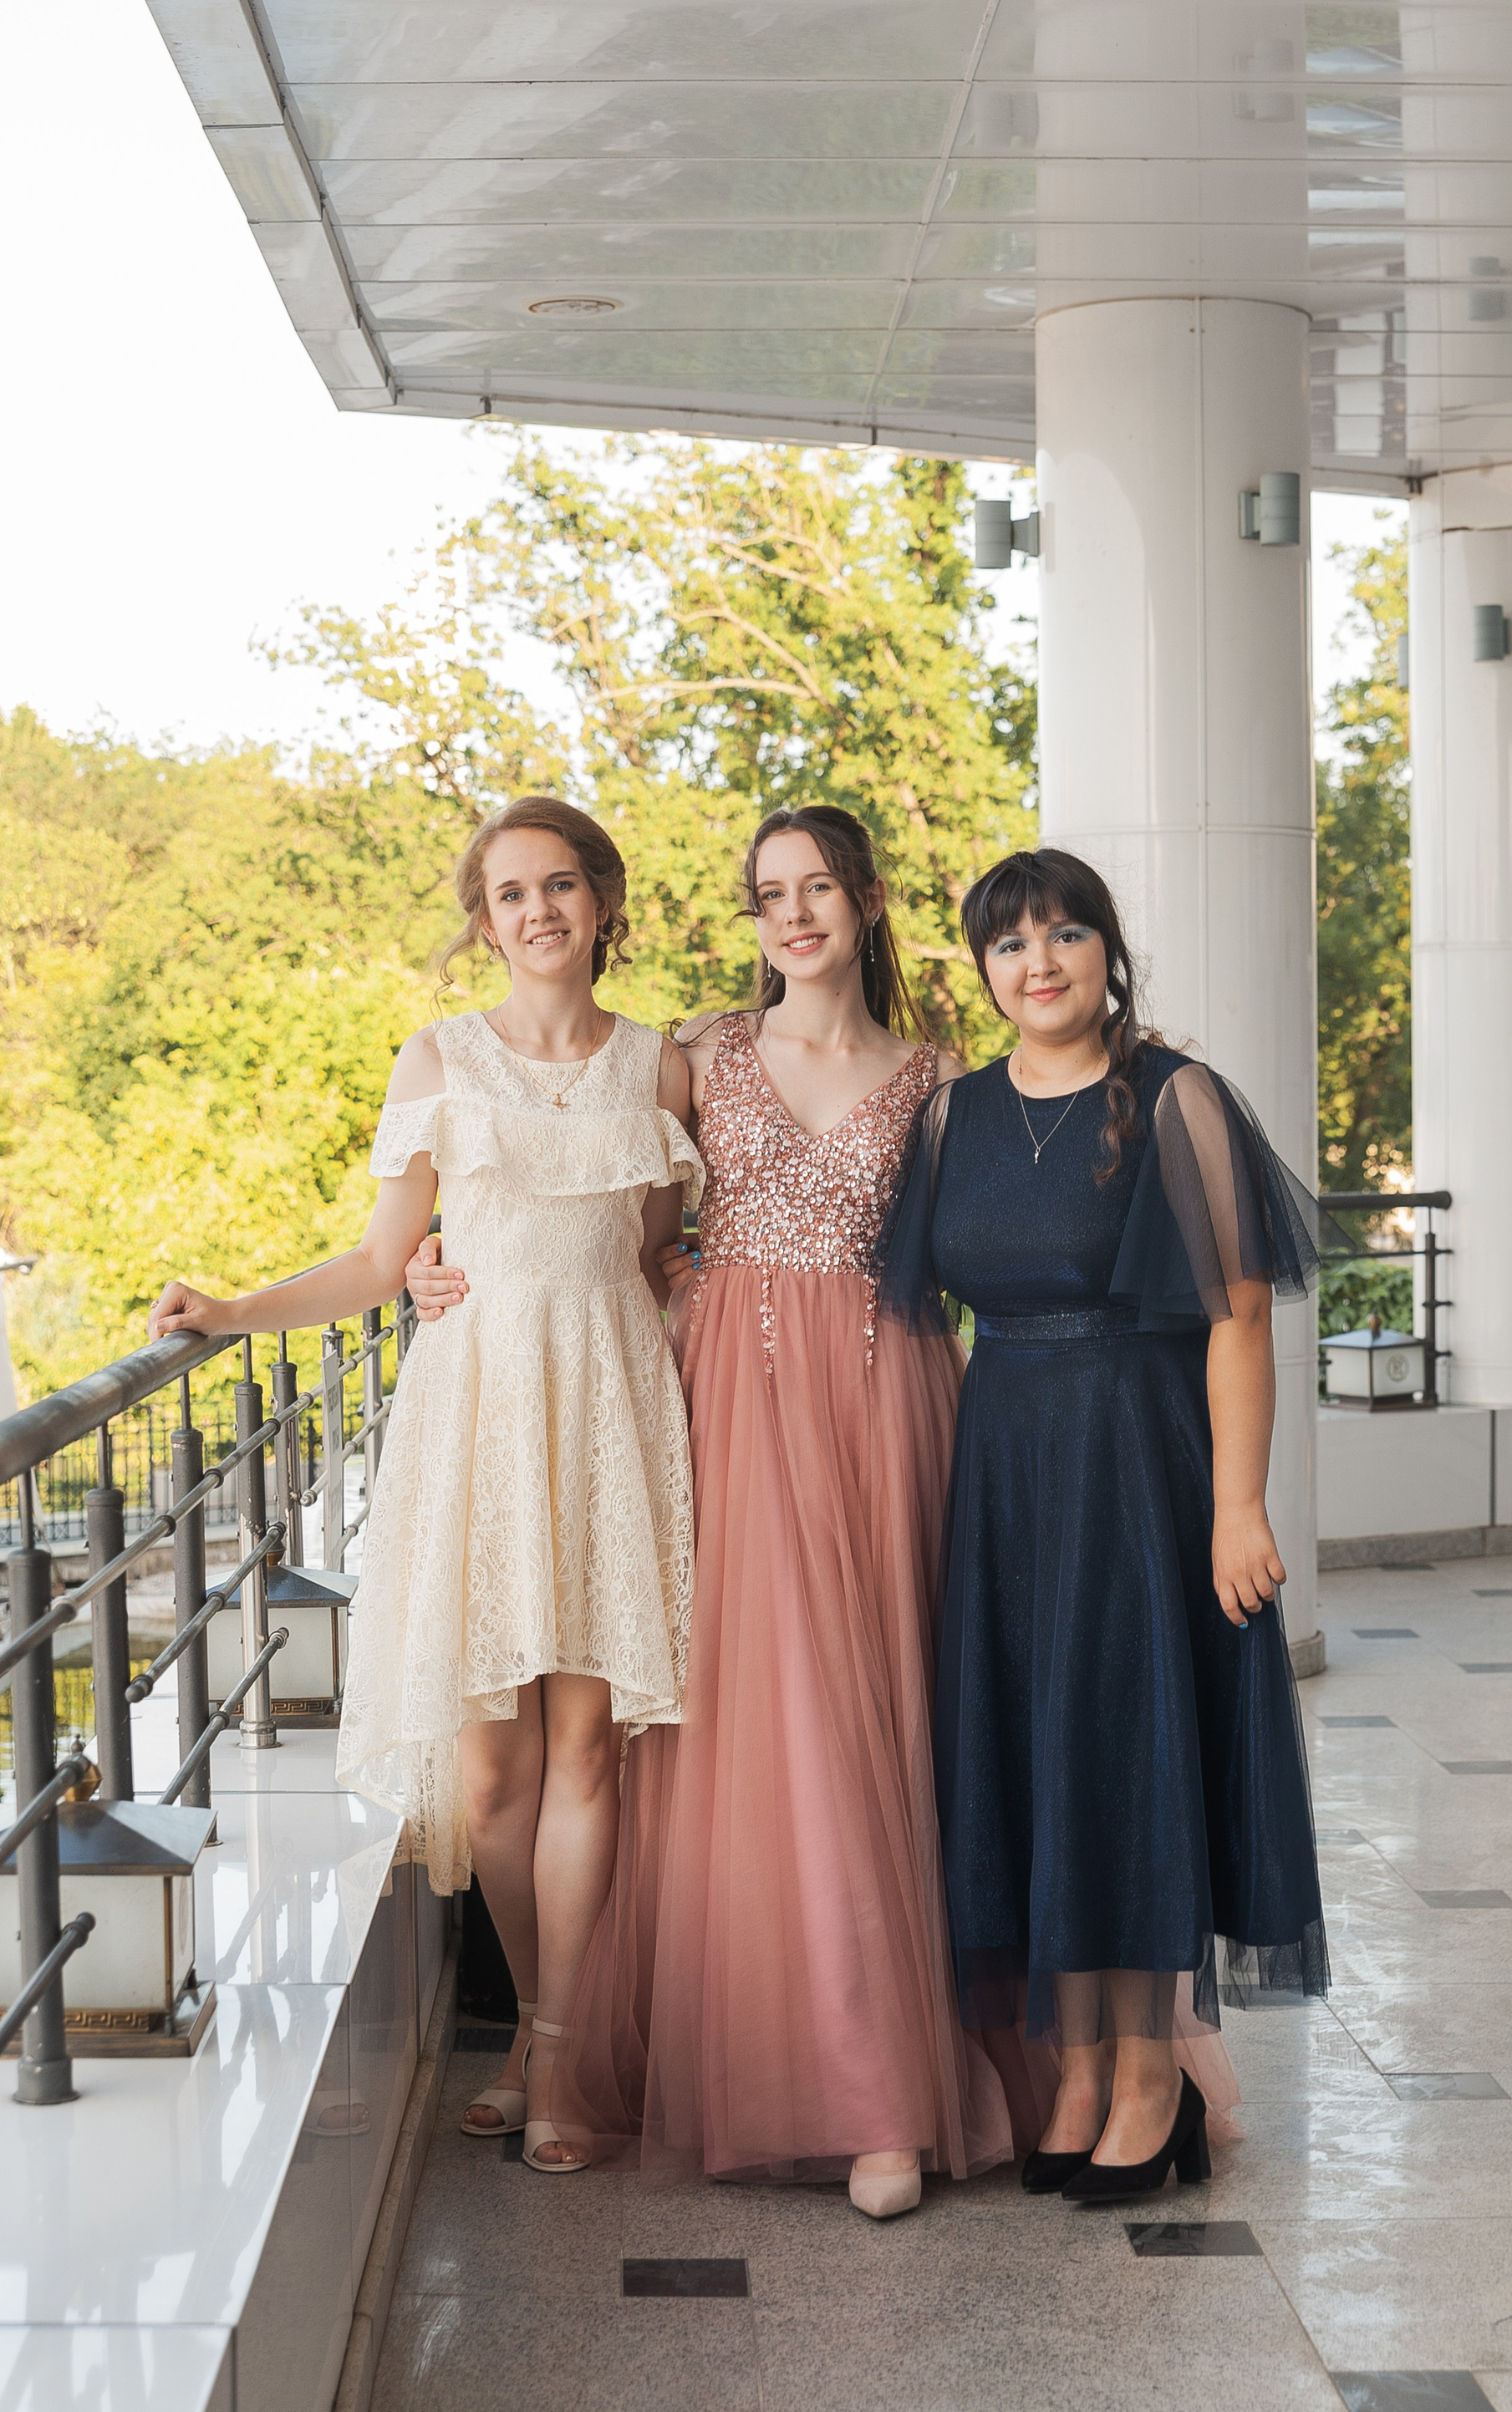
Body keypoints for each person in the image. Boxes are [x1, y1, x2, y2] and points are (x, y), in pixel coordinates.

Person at [416, 804, 1023, 2218]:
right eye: (770, 894)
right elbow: (604, 1215)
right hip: (723, 1409)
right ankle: (666, 2053)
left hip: (881, 1408)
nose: (793, 915)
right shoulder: (699, 1054)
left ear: (869, 902)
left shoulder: (937, 1079)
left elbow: (993, 1248)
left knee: (871, 1728)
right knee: (747, 1732)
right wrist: (436, 1259)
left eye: (819, 889)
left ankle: (882, 2091)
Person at [148, 794, 701, 2175]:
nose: (538, 911)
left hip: (611, 1412)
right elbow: (376, 1260)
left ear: (602, 901)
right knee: (493, 1767)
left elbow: (656, 1255)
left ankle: (554, 2063)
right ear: (484, 921)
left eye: (560, 884)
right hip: (478, 1420)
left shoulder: (662, 1066)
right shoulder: (439, 1057)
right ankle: (540, 2029)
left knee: (588, 1750)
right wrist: (233, 1308)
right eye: (511, 893)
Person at [879, 846, 1331, 2203]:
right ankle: (1075, 2068)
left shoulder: (1176, 1095)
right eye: (1011, 943)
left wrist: (1238, 1506)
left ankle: (1152, 2076)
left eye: (1066, 934)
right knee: (1034, 1751)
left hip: (1141, 1466)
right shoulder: (951, 1116)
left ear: (1107, 951)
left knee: (1126, 1747)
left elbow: (1239, 1318)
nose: (1041, 963)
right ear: (983, 969)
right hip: (1006, 1472)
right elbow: (896, 1302)